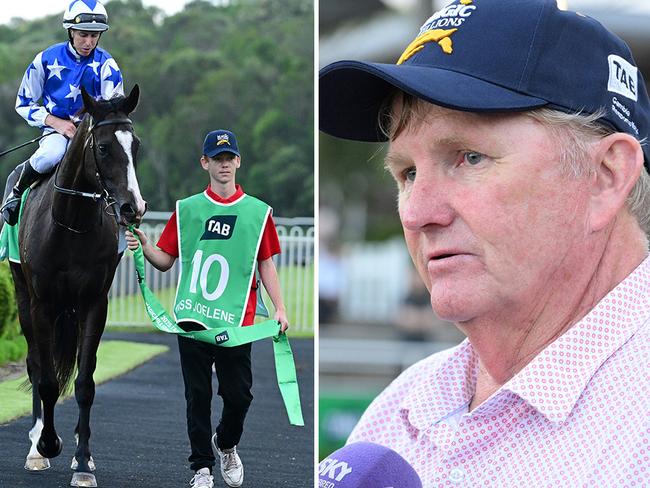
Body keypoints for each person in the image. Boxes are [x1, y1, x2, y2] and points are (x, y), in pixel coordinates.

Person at [319, 0, 650, 485]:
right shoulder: (401, 407)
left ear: (605, 177)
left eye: (469, 158)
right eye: (407, 172)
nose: (416, 212)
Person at [126, 129, 289, 488]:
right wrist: (143, 245)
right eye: (217, 159)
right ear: (205, 163)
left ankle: (226, 444)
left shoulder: (257, 213)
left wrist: (279, 308)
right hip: (193, 317)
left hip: (236, 323)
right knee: (196, 396)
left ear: (239, 161)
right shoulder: (187, 210)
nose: (224, 164)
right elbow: (165, 260)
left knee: (239, 395)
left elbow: (266, 265)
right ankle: (201, 468)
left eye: (229, 157)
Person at [1, 0, 123, 225]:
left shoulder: (108, 65)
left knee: (118, 160)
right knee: (51, 155)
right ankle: (16, 189)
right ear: (70, 30)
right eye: (83, 35)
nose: (88, 42)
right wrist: (55, 123)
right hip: (55, 131)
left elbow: (113, 111)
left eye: (94, 36)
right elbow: (23, 102)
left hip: (93, 134)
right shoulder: (46, 59)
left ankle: (125, 215)